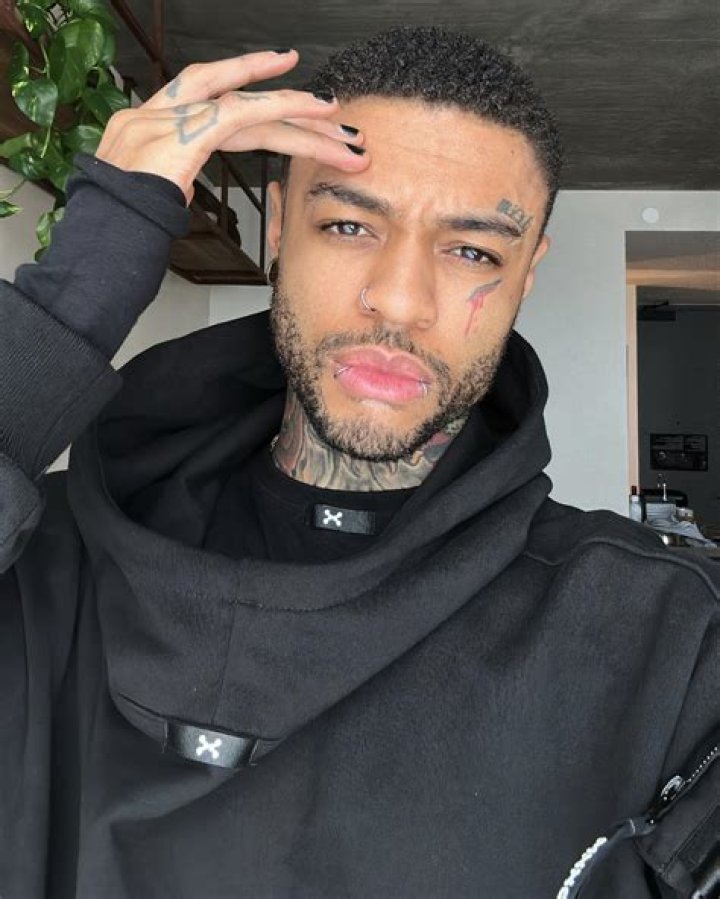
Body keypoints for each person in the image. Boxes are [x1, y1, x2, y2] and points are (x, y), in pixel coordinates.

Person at [0, 25, 717, 899]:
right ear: (278, 230)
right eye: (347, 223)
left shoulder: (663, 638)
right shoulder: (45, 568)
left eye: (472, 251)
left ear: (527, 274)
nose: (400, 301)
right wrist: (80, 284)